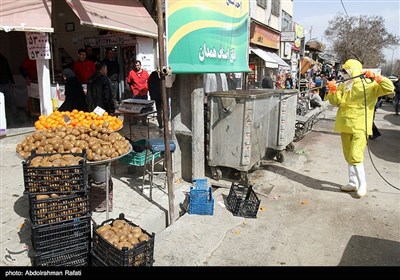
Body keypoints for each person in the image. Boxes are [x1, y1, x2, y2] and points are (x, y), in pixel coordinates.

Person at [326, 59, 394, 198]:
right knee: (348, 156)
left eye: (346, 71)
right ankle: (352, 182)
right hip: (344, 124)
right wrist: (332, 90)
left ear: (354, 70)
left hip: (360, 126)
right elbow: (335, 102)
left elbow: (389, 88)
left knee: (356, 156)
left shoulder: (370, 84)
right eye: (343, 71)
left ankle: (362, 184)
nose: (344, 73)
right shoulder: (344, 85)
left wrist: (377, 77)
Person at [0, 52, 18, 126]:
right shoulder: (3, 57)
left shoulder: (2, 58)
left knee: (11, 102)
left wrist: (12, 81)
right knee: (9, 102)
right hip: (5, 82)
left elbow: (8, 70)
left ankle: (14, 120)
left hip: (6, 82)